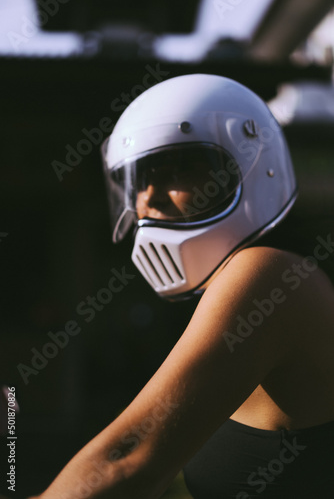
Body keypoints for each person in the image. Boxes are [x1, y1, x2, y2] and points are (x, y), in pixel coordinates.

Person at [26, 74, 334, 498]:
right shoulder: (277, 275)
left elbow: (127, 463)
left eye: (179, 167)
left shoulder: (267, 275)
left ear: (254, 166)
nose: (148, 196)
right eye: (140, 177)